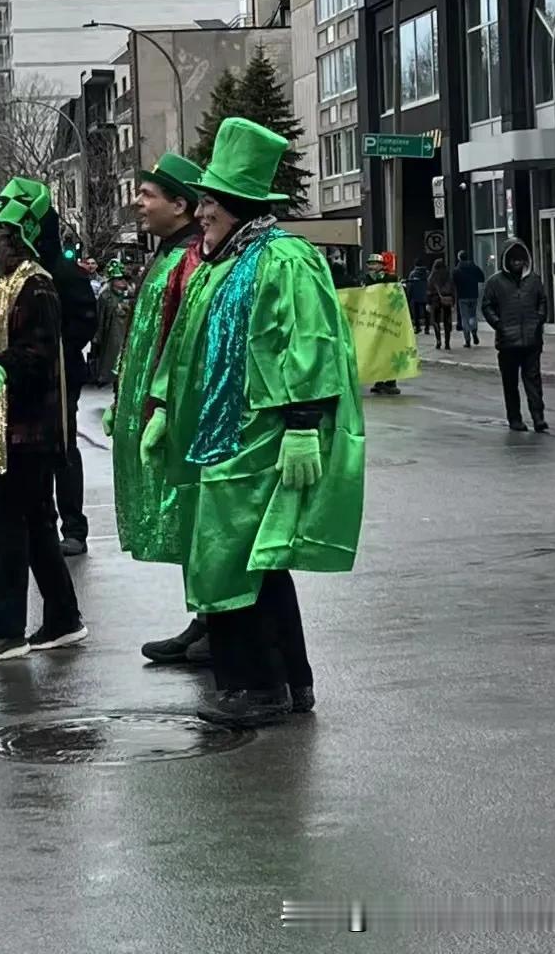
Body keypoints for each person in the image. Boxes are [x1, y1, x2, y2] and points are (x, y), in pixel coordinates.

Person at [140, 118, 365, 729]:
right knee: (247, 563)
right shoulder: (220, 262)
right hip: (219, 438)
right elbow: (185, 343)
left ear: (235, 204)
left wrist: (300, 422)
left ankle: (257, 687)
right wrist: (161, 405)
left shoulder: (283, 258)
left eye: (209, 201)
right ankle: (288, 682)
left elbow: (310, 341)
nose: (202, 212)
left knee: (236, 559)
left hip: (260, 438)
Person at [0, 179, 85, 663]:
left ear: (17, 235)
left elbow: (42, 352)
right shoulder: (0, 283)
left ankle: (8, 628)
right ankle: (64, 617)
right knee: (34, 521)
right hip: (6, 426)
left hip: (31, 429)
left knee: (7, 517)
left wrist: (2, 365)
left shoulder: (35, 282)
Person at [106, 152, 207, 666]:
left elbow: (180, 341)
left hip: (180, 410)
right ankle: (206, 618)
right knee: (186, 516)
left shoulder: (189, 259)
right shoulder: (167, 254)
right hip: (154, 404)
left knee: (194, 513)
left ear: (181, 204)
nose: (138, 204)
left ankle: (215, 621)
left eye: (148, 195)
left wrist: (162, 404)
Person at [34, 194, 98, 556]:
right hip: (31, 376)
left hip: (61, 374)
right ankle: (42, 520)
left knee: (64, 449)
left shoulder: (63, 272)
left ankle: (73, 525)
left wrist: (59, 349)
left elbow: (85, 319)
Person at [480, 239, 548, 432]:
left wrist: (539, 319)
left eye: (520, 260)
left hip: (531, 341)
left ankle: (538, 417)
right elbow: (487, 305)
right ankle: (515, 419)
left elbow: (542, 301)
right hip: (508, 342)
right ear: (507, 261)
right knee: (510, 384)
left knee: (533, 381)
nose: (517, 264)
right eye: (513, 260)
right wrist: (498, 324)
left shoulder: (533, 280)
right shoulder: (495, 282)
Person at [91, 261, 133, 387]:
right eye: (119, 279)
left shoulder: (130, 296)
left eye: (125, 279)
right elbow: (100, 317)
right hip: (111, 337)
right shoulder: (105, 297)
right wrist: (96, 337)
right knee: (113, 365)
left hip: (127, 335)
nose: (123, 282)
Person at [364, 253, 401, 394]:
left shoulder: (391, 278)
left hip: (389, 319)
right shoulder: (365, 280)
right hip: (372, 319)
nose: (372, 266)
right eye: (370, 264)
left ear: (381, 266)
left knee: (390, 350)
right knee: (376, 351)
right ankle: (379, 381)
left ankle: (391, 381)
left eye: (375, 264)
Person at [453, 250, 486, 348]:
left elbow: (454, 283)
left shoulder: (457, 270)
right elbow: (482, 277)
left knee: (464, 318)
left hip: (462, 296)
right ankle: (474, 331)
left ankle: (467, 339)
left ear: (459, 258)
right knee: (472, 316)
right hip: (473, 294)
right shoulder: (474, 267)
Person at [427, 257, 456, 350]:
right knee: (447, 321)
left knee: (436, 321)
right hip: (446, 300)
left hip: (435, 300)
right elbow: (452, 289)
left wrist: (428, 302)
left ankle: (438, 340)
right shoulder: (448, 275)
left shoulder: (432, 276)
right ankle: (447, 343)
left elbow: (429, 290)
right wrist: (453, 302)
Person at [406, 259, 430, 333]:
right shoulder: (427, 273)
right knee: (426, 312)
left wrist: (408, 296)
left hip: (415, 296)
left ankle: (418, 327)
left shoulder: (413, 274)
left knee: (416, 313)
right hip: (426, 295)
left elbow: (410, 286)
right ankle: (427, 328)